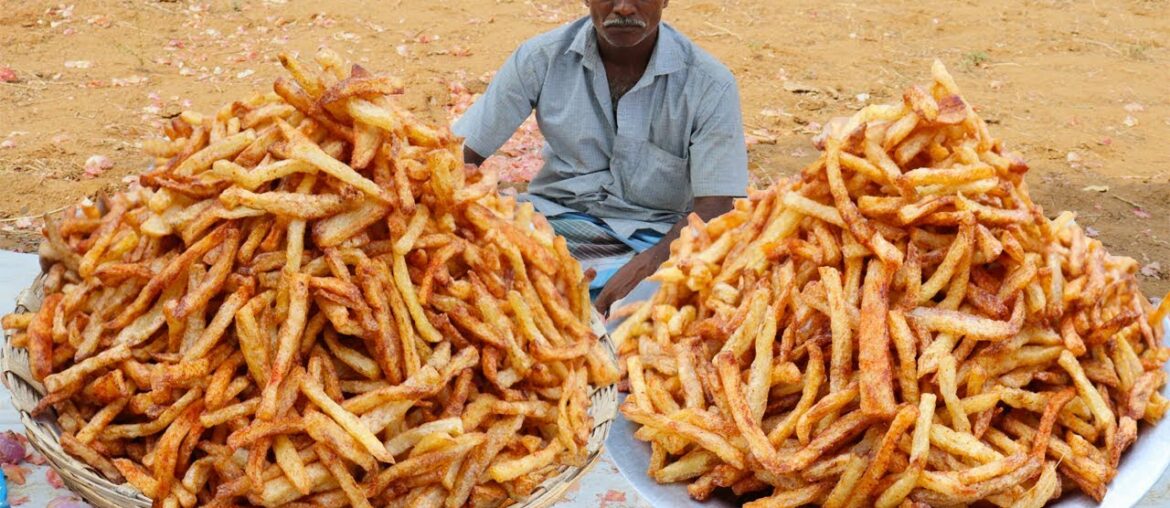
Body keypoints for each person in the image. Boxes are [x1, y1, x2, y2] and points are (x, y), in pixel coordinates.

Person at [453, 0, 748, 313]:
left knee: (673, 310)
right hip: (550, 224)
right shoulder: (540, 58)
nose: (623, 8)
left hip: (656, 240)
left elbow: (717, 206)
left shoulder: (709, 84)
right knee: (471, 277)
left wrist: (649, 265)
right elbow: (459, 155)